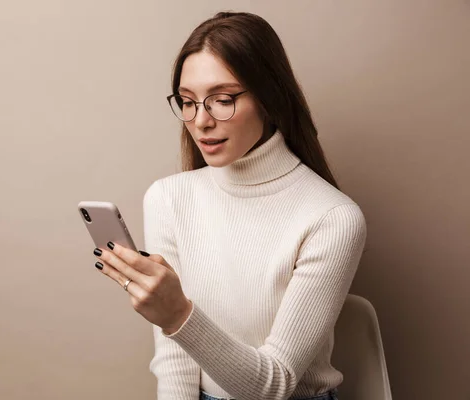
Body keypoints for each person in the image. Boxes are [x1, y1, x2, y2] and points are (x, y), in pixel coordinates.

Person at [92, 11, 366, 400]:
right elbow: (175, 364)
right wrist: (173, 322)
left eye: (221, 100)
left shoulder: (332, 218)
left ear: (269, 97)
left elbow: (274, 385)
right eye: (187, 102)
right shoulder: (168, 198)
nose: (201, 120)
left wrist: (176, 314)